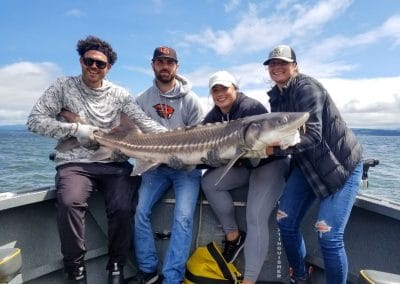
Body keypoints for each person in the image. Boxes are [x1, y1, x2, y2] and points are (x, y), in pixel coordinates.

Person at [26, 36, 166, 284]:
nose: (93, 67)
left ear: (108, 68)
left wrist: (173, 140)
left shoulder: (121, 95)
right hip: (75, 162)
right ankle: (76, 270)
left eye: (100, 64)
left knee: (124, 207)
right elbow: (34, 121)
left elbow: (144, 123)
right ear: (81, 61)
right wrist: (74, 130)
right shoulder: (62, 87)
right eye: (89, 61)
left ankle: (116, 267)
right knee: (69, 202)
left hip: (114, 162)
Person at [263, 45, 363, 284]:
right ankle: (299, 275)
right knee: (285, 221)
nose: (277, 68)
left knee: (327, 234)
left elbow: (313, 135)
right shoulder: (276, 97)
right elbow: (280, 135)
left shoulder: (307, 88)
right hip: (307, 166)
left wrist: (272, 149)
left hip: (340, 166)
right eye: (272, 64)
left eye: (283, 63)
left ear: (295, 66)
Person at [201, 71, 290, 284]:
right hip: (245, 165)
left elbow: (272, 146)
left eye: (225, 88)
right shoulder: (213, 117)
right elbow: (201, 151)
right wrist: (205, 161)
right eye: (215, 90)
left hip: (270, 164)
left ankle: (249, 281)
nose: (220, 94)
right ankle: (234, 236)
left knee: (255, 217)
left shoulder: (251, 108)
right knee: (209, 183)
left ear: (235, 88)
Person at [131, 46, 204, 284]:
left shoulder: (191, 100)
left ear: (177, 67)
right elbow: (135, 134)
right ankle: (148, 268)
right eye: (160, 61)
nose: (165, 66)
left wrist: (184, 158)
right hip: (154, 167)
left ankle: (172, 277)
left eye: (169, 62)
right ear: (153, 65)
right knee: (139, 211)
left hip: (187, 169)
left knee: (183, 217)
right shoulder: (142, 99)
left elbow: (202, 137)